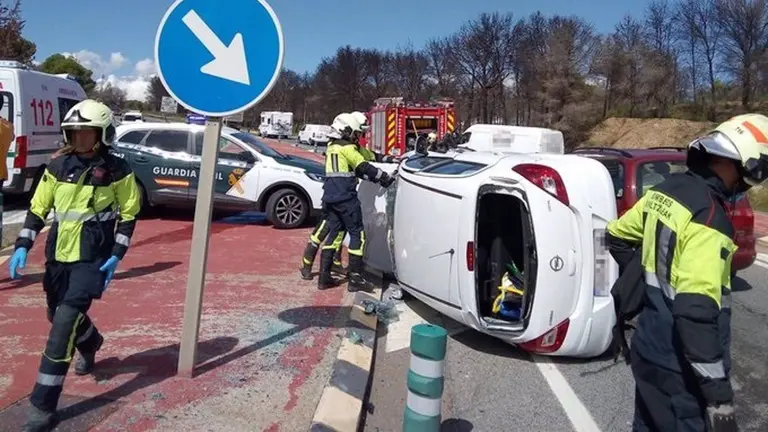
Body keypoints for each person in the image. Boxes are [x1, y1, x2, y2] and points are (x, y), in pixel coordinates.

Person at [606, 113, 768, 432]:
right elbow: (695, 314)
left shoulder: (666, 190)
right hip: (679, 367)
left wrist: (643, 286)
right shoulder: (710, 220)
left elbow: (618, 234)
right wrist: (719, 398)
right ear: (745, 164)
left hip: (647, 347)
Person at [9, 99, 141, 431]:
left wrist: (117, 254)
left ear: (102, 135)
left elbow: (129, 213)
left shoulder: (117, 169)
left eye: (86, 133)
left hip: (91, 258)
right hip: (57, 257)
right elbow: (38, 208)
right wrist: (23, 245)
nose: (79, 139)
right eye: (74, 133)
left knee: (62, 327)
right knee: (57, 314)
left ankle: (42, 405)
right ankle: (92, 341)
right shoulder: (56, 167)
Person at [299, 112, 397, 281]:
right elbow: (363, 166)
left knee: (333, 232)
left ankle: (320, 272)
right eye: (358, 133)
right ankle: (354, 277)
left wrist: (387, 158)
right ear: (347, 130)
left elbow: (368, 155)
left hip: (330, 196)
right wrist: (385, 178)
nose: (359, 136)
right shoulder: (347, 148)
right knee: (355, 234)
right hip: (344, 197)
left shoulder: (333, 146)